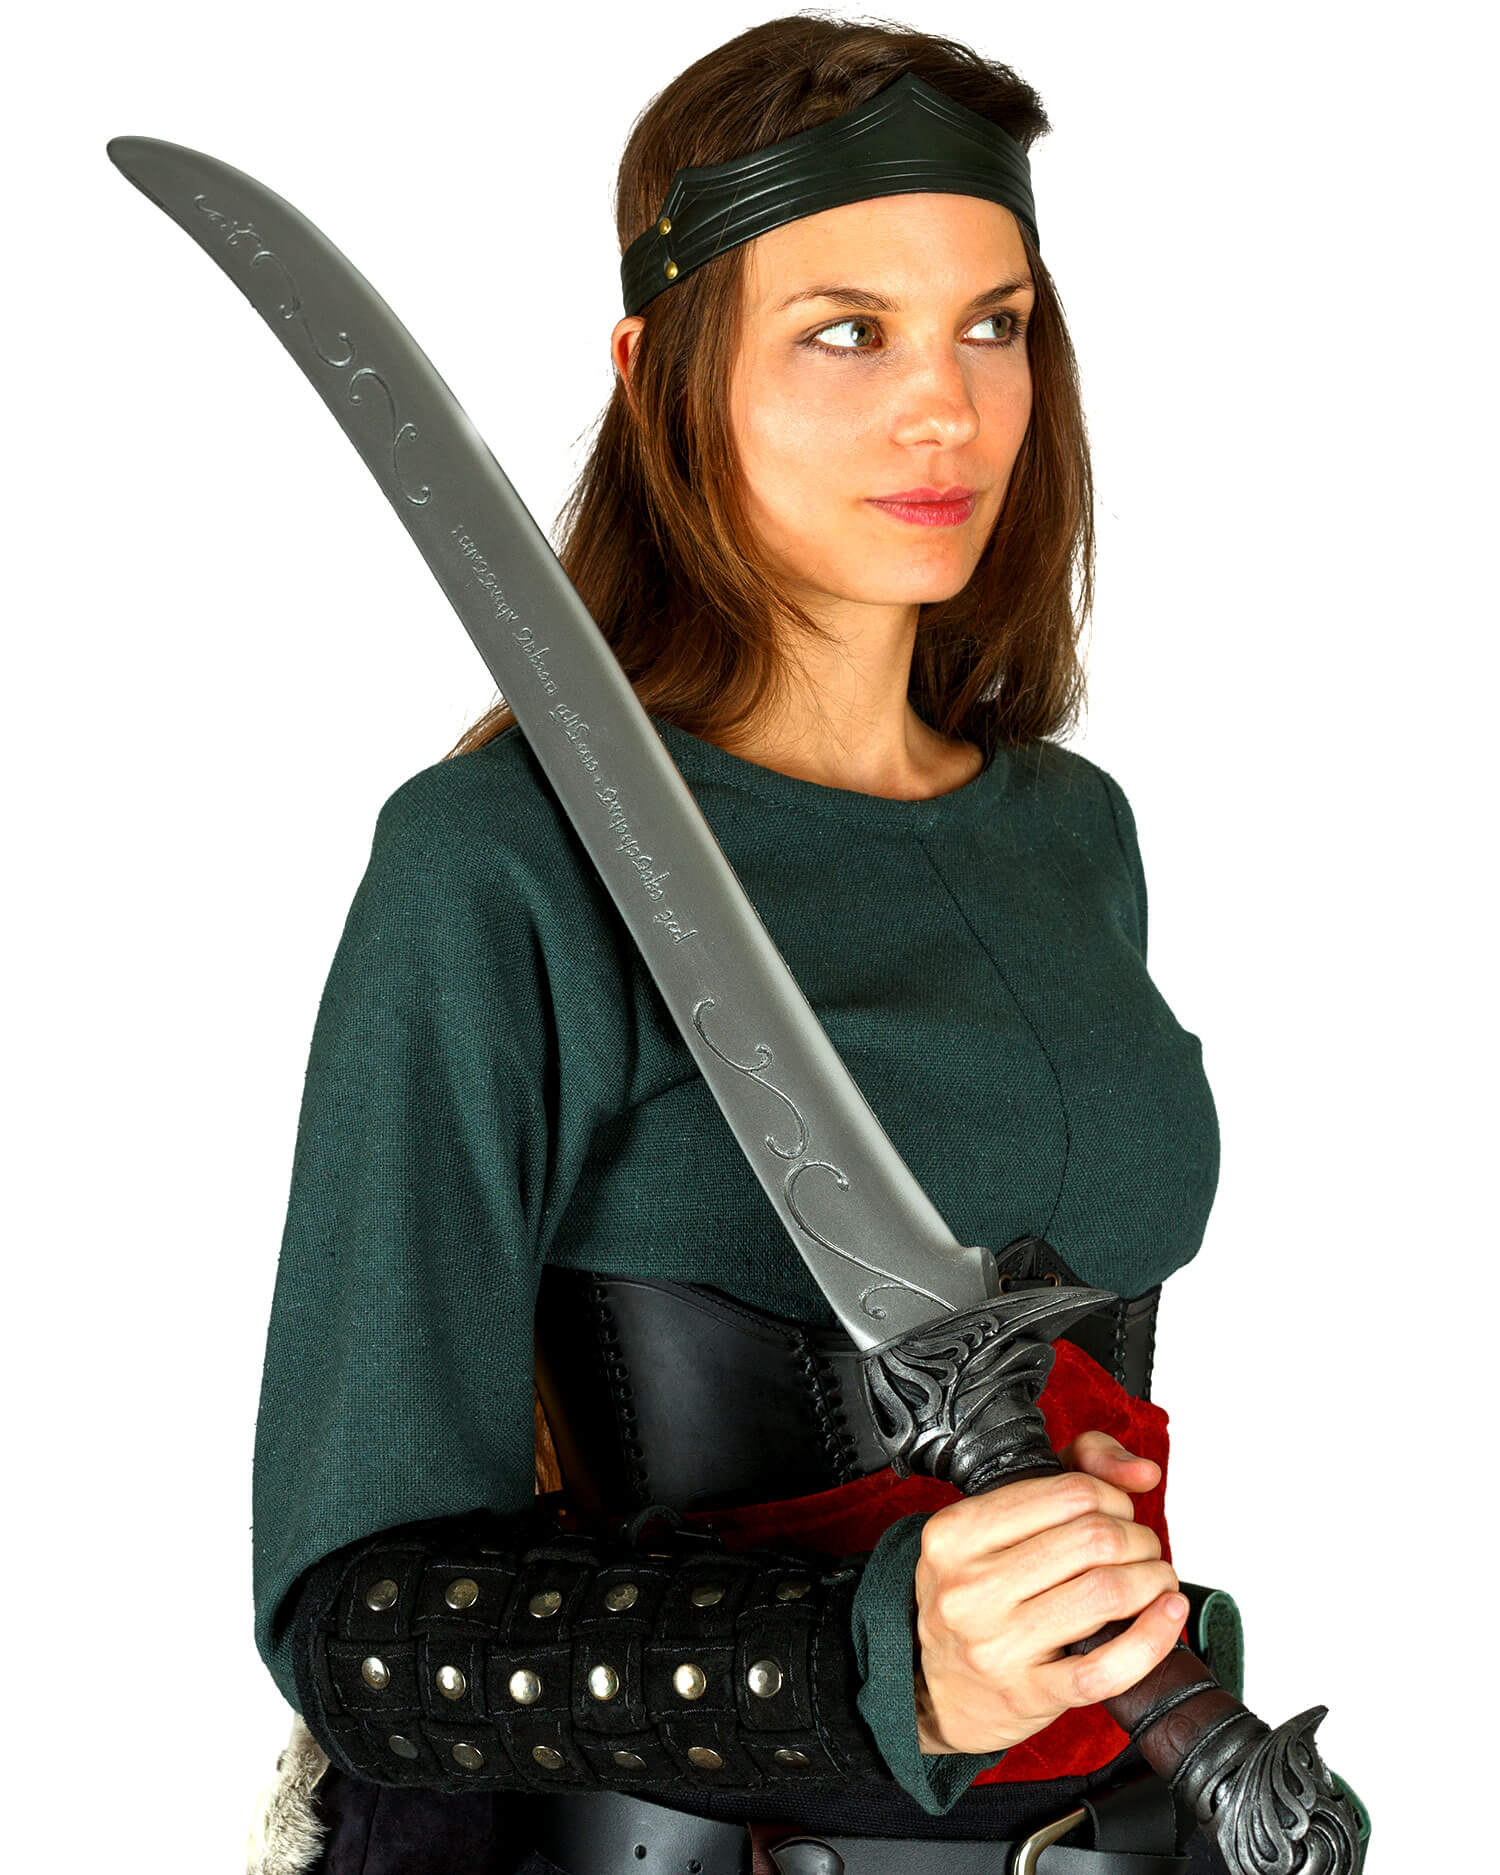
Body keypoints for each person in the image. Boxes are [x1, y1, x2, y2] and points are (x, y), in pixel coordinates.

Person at [246, 15, 1254, 1875]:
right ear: (659, 373)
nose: (945, 408)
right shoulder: (493, 867)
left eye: (994, 324)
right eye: (845, 331)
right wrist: (874, 1657)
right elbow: (353, 1627)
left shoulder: (1072, 838)